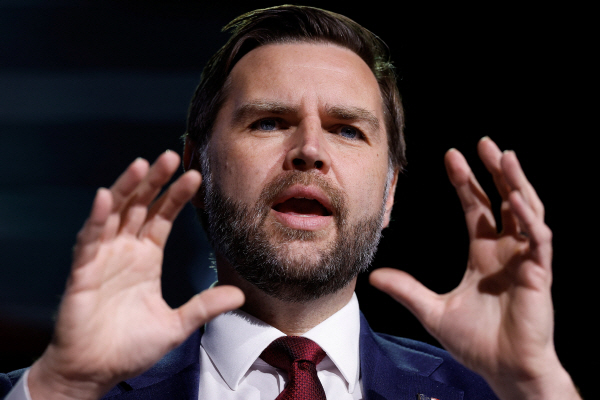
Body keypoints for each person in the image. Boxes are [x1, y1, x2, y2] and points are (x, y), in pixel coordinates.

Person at [0, 5, 581, 400]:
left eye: (347, 129)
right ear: (200, 166)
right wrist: (65, 388)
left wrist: (537, 384)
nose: (309, 151)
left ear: (389, 194)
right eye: (269, 121)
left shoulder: (492, 393)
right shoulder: (60, 390)